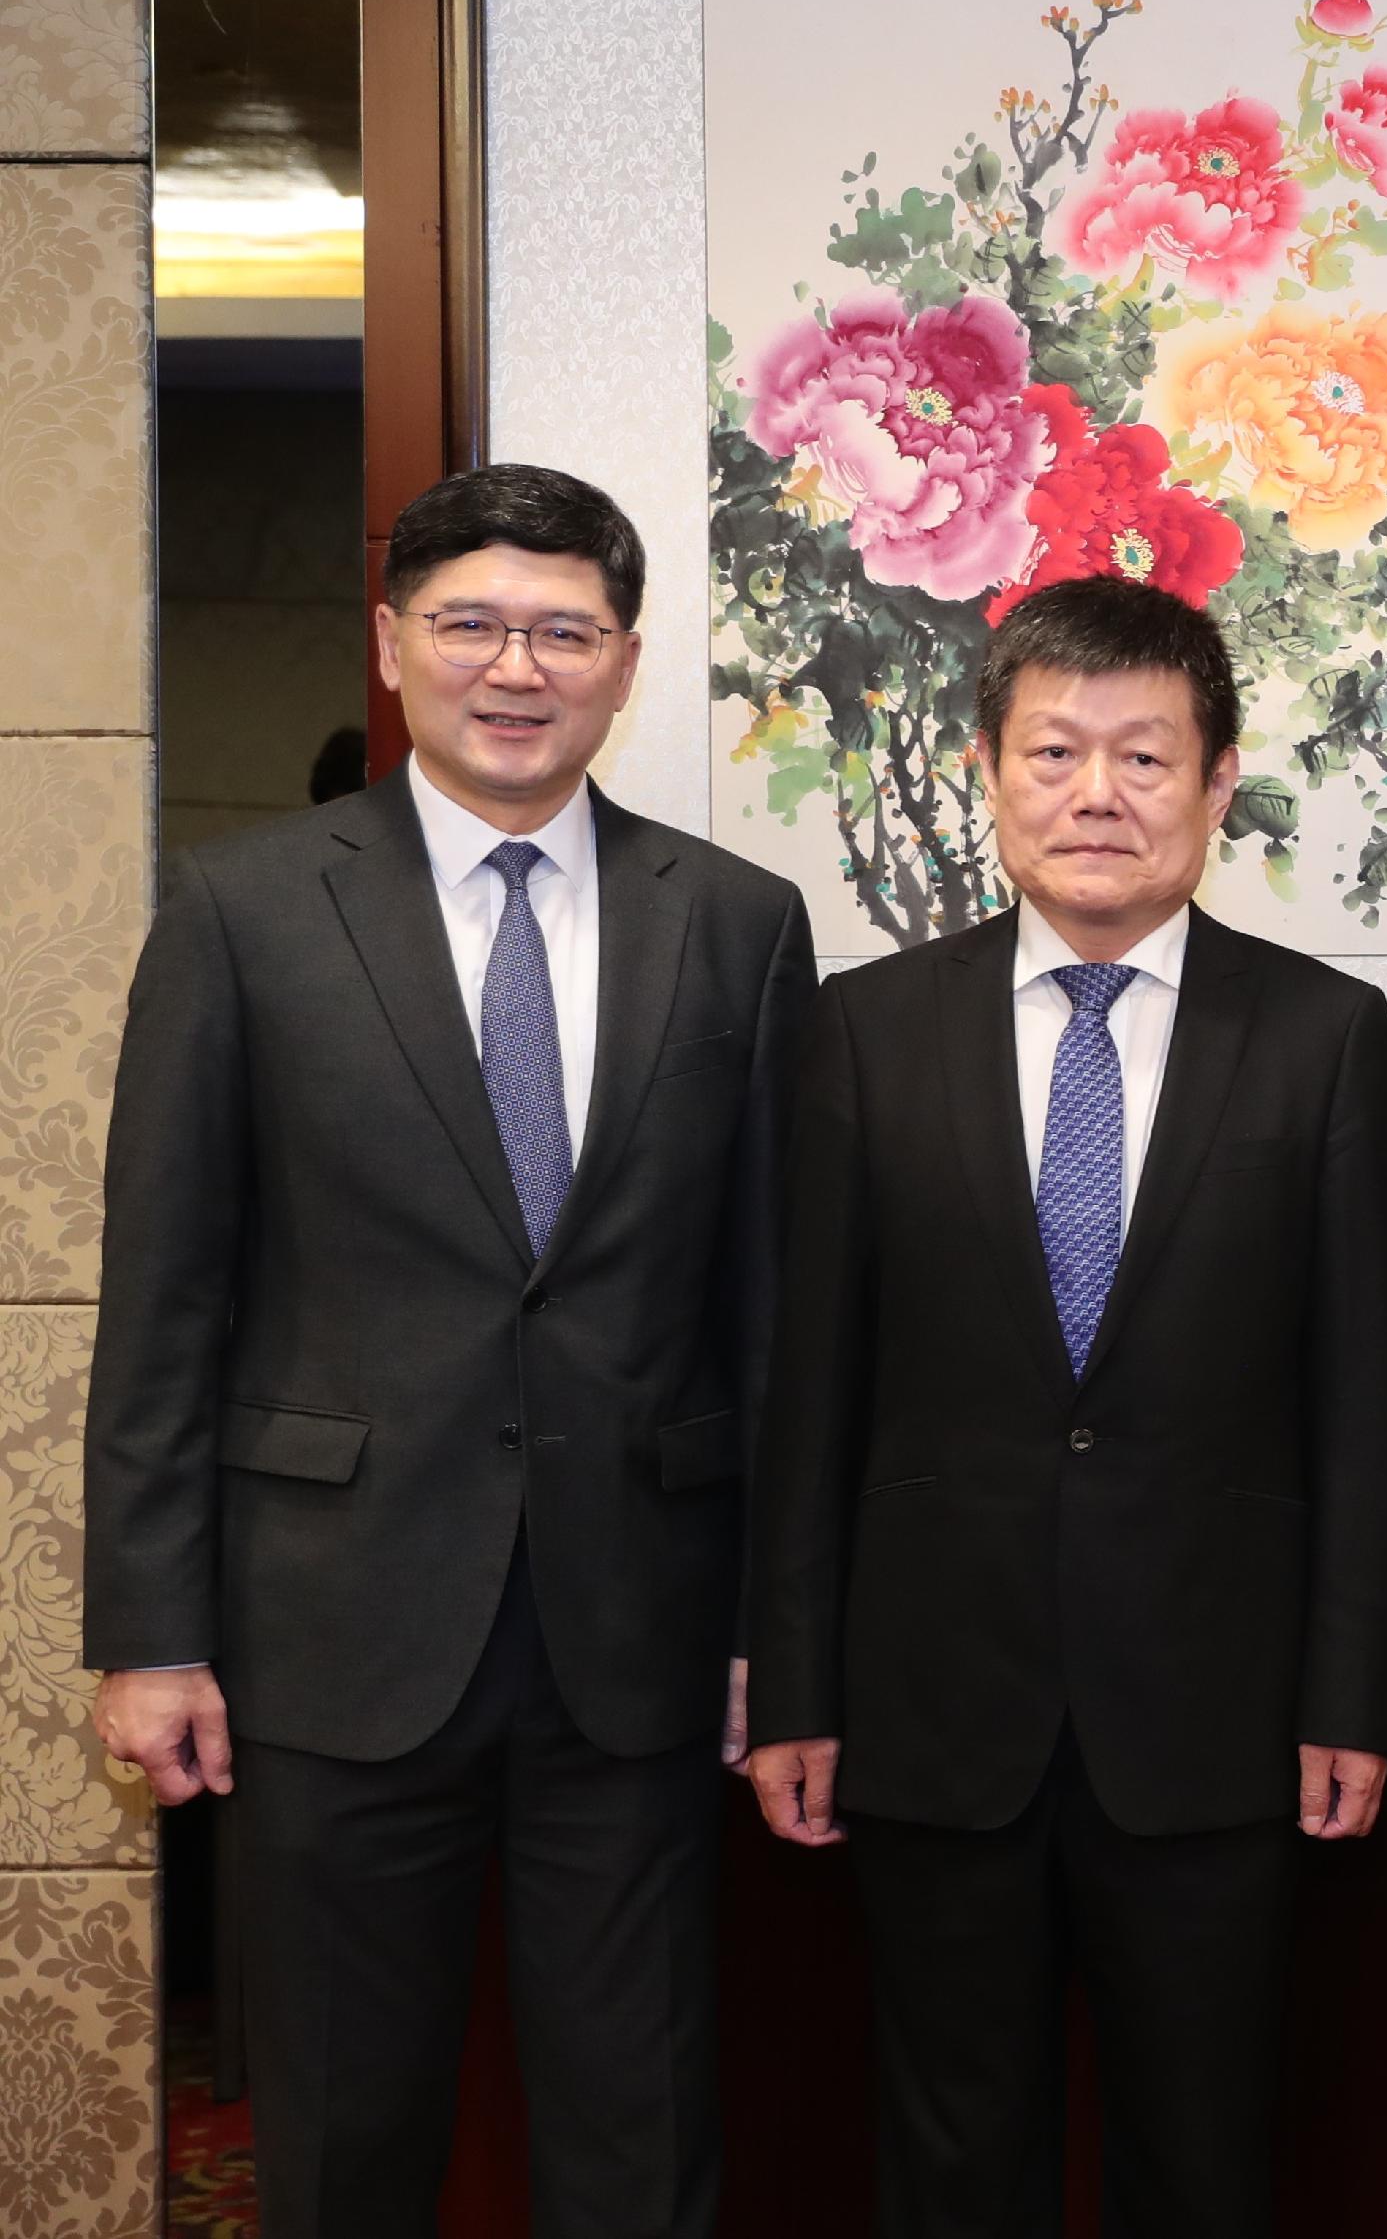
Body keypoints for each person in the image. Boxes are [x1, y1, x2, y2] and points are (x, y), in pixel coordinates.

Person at [84, 465, 815, 2239]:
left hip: (637, 1638)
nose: (518, 667)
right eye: (474, 623)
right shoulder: (243, 912)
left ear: (626, 663)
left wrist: (774, 1638)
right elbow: (166, 1299)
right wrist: (153, 1638)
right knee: (342, 2135)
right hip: (328, 1630)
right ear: (396, 642)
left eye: (565, 631)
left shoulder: (735, 923)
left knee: (640, 2134)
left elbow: (772, 1319)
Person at [741, 578, 1387, 2239]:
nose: (1095, 794)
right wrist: (802, 1678)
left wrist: (1350, 1691)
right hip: (932, 1710)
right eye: (1053, 751)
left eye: (1141, 756)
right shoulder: (863, 1033)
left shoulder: (1323, 1036)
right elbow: (806, 1385)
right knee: (952, 2153)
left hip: (1218, 1715)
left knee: (1206, 2153)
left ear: (1217, 783)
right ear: (988, 773)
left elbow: (1365, 1401)